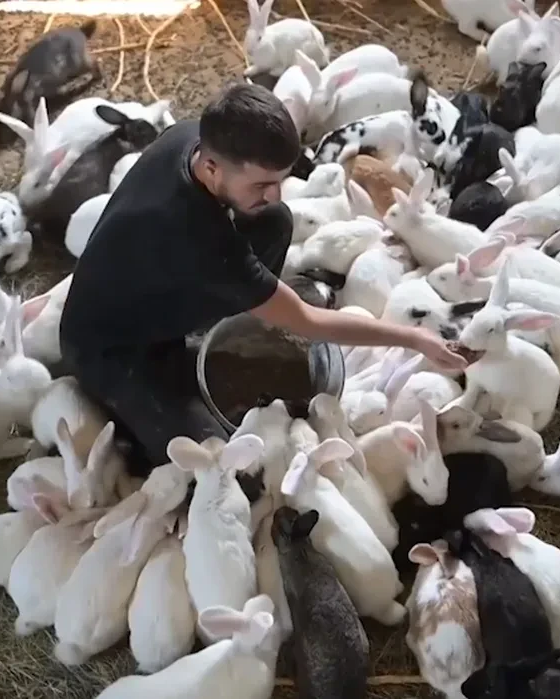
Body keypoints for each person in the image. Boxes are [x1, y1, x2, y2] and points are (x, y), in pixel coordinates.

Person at [60, 82, 467, 472]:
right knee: (219, 459)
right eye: (262, 183)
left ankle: (235, 323)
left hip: (147, 284)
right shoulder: (197, 237)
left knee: (274, 220)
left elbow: (256, 218)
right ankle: (142, 423)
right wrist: (413, 338)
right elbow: (309, 321)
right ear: (213, 167)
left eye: (279, 180)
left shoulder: (188, 138)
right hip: (109, 348)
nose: (275, 192)